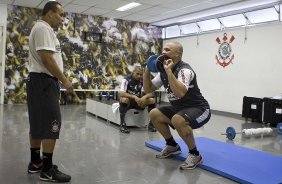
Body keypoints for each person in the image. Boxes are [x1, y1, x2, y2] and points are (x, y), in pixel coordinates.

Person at [143, 41, 211, 170]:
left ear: (178, 55)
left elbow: (180, 92)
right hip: (180, 108)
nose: (163, 53)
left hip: (200, 109)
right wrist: (146, 71)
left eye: (167, 50)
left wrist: (169, 73)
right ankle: (172, 145)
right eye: (163, 50)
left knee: (177, 119)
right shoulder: (163, 71)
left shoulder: (185, 70)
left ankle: (195, 154)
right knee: (154, 114)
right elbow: (148, 89)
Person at [26, 1, 73, 182]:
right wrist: (65, 80)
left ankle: (35, 162)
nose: (62, 19)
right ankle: (46, 169)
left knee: (38, 124)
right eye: (60, 14)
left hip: (39, 82)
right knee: (52, 123)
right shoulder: (43, 29)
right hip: (44, 82)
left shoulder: (41, 29)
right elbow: (47, 58)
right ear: (50, 13)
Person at [119, 66, 157, 133]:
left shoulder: (142, 80)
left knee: (152, 100)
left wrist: (144, 97)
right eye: (137, 74)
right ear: (133, 72)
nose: (139, 76)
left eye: (141, 74)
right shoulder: (126, 79)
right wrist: (134, 97)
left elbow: (151, 93)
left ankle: (151, 124)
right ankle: (122, 124)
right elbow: (121, 93)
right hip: (129, 102)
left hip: (138, 102)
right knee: (124, 99)